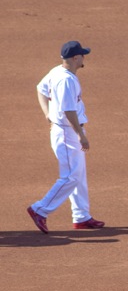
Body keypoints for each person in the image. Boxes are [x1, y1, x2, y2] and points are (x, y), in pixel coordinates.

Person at [27, 41, 105, 234]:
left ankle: (81, 216)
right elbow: (69, 111)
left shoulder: (56, 72)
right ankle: (40, 209)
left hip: (65, 129)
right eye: (82, 55)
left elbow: (40, 89)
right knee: (71, 176)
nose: (84, 58)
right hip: (67, 132)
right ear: (75, 58)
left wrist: (47, 113)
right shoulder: (66, 80)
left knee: (78, 174)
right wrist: (80, 135)